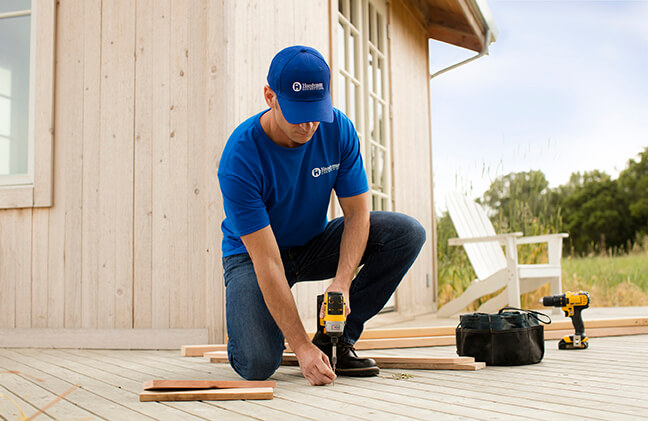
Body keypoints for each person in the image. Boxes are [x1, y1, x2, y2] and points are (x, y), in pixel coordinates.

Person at [218, 45, 425, 386]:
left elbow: (358, 215)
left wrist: (342, 282)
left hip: (313, 243)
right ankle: (251, 327)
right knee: (256, 364)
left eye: (317, 111)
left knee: (406, 233)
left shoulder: (337, 130)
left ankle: (336, 341)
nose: (310, 124)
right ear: (270, 96)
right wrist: (298, 347)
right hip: (253, 257)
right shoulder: (240, 158)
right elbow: (268, 263)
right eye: (299, 113)